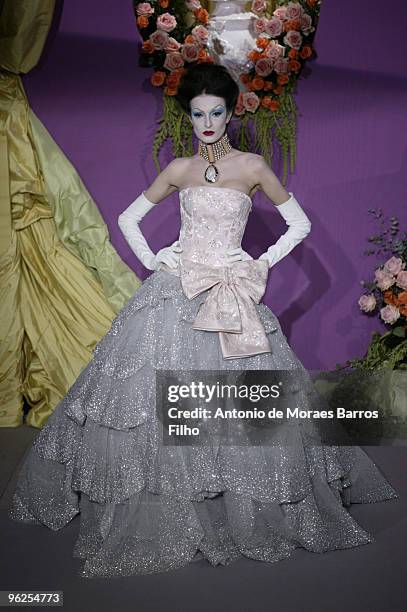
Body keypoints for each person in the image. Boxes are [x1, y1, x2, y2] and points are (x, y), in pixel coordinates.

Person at [8, 63, 397, 578]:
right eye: (197, 113)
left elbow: (298, 224)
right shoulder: (179, 170)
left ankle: (240, 499)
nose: (207, 122)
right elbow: (127, 219)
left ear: (232, 112)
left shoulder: (253, 167)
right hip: (177, 289)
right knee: (148, 399)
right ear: (187, 116)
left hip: (229, 292)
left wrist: (257, 263)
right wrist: (155, 260)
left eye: (216, 112)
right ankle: (176, 501)